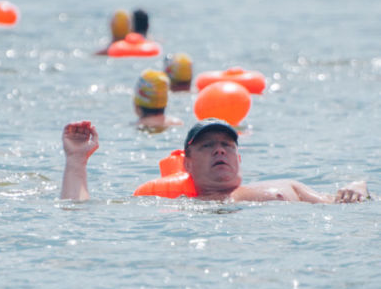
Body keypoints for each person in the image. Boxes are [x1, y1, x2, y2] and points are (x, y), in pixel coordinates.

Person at [60, 119, 369, 203]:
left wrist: (360, 186)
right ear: (188, 164)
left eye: (226, 145)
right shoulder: (172, 204)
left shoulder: (288, 187)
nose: (219, 150)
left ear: (238, 158)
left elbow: (340, 202)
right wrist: (76, 161)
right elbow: (79, 214)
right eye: (207, 146)